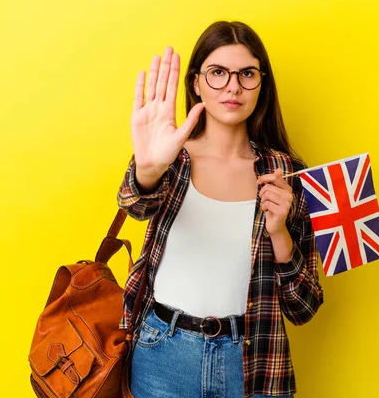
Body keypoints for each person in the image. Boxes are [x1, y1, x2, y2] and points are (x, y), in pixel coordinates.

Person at [117, 20, 324, 398]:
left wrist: (279, 232)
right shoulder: (171, 159)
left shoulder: (285, 174)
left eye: (247, 74)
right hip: (162, 353)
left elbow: (304, 307)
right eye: (218, 73)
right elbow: (135, 204)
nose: (233, 86)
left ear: (262, 84)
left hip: (253, 362)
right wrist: (147, 171)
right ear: (196, 83)